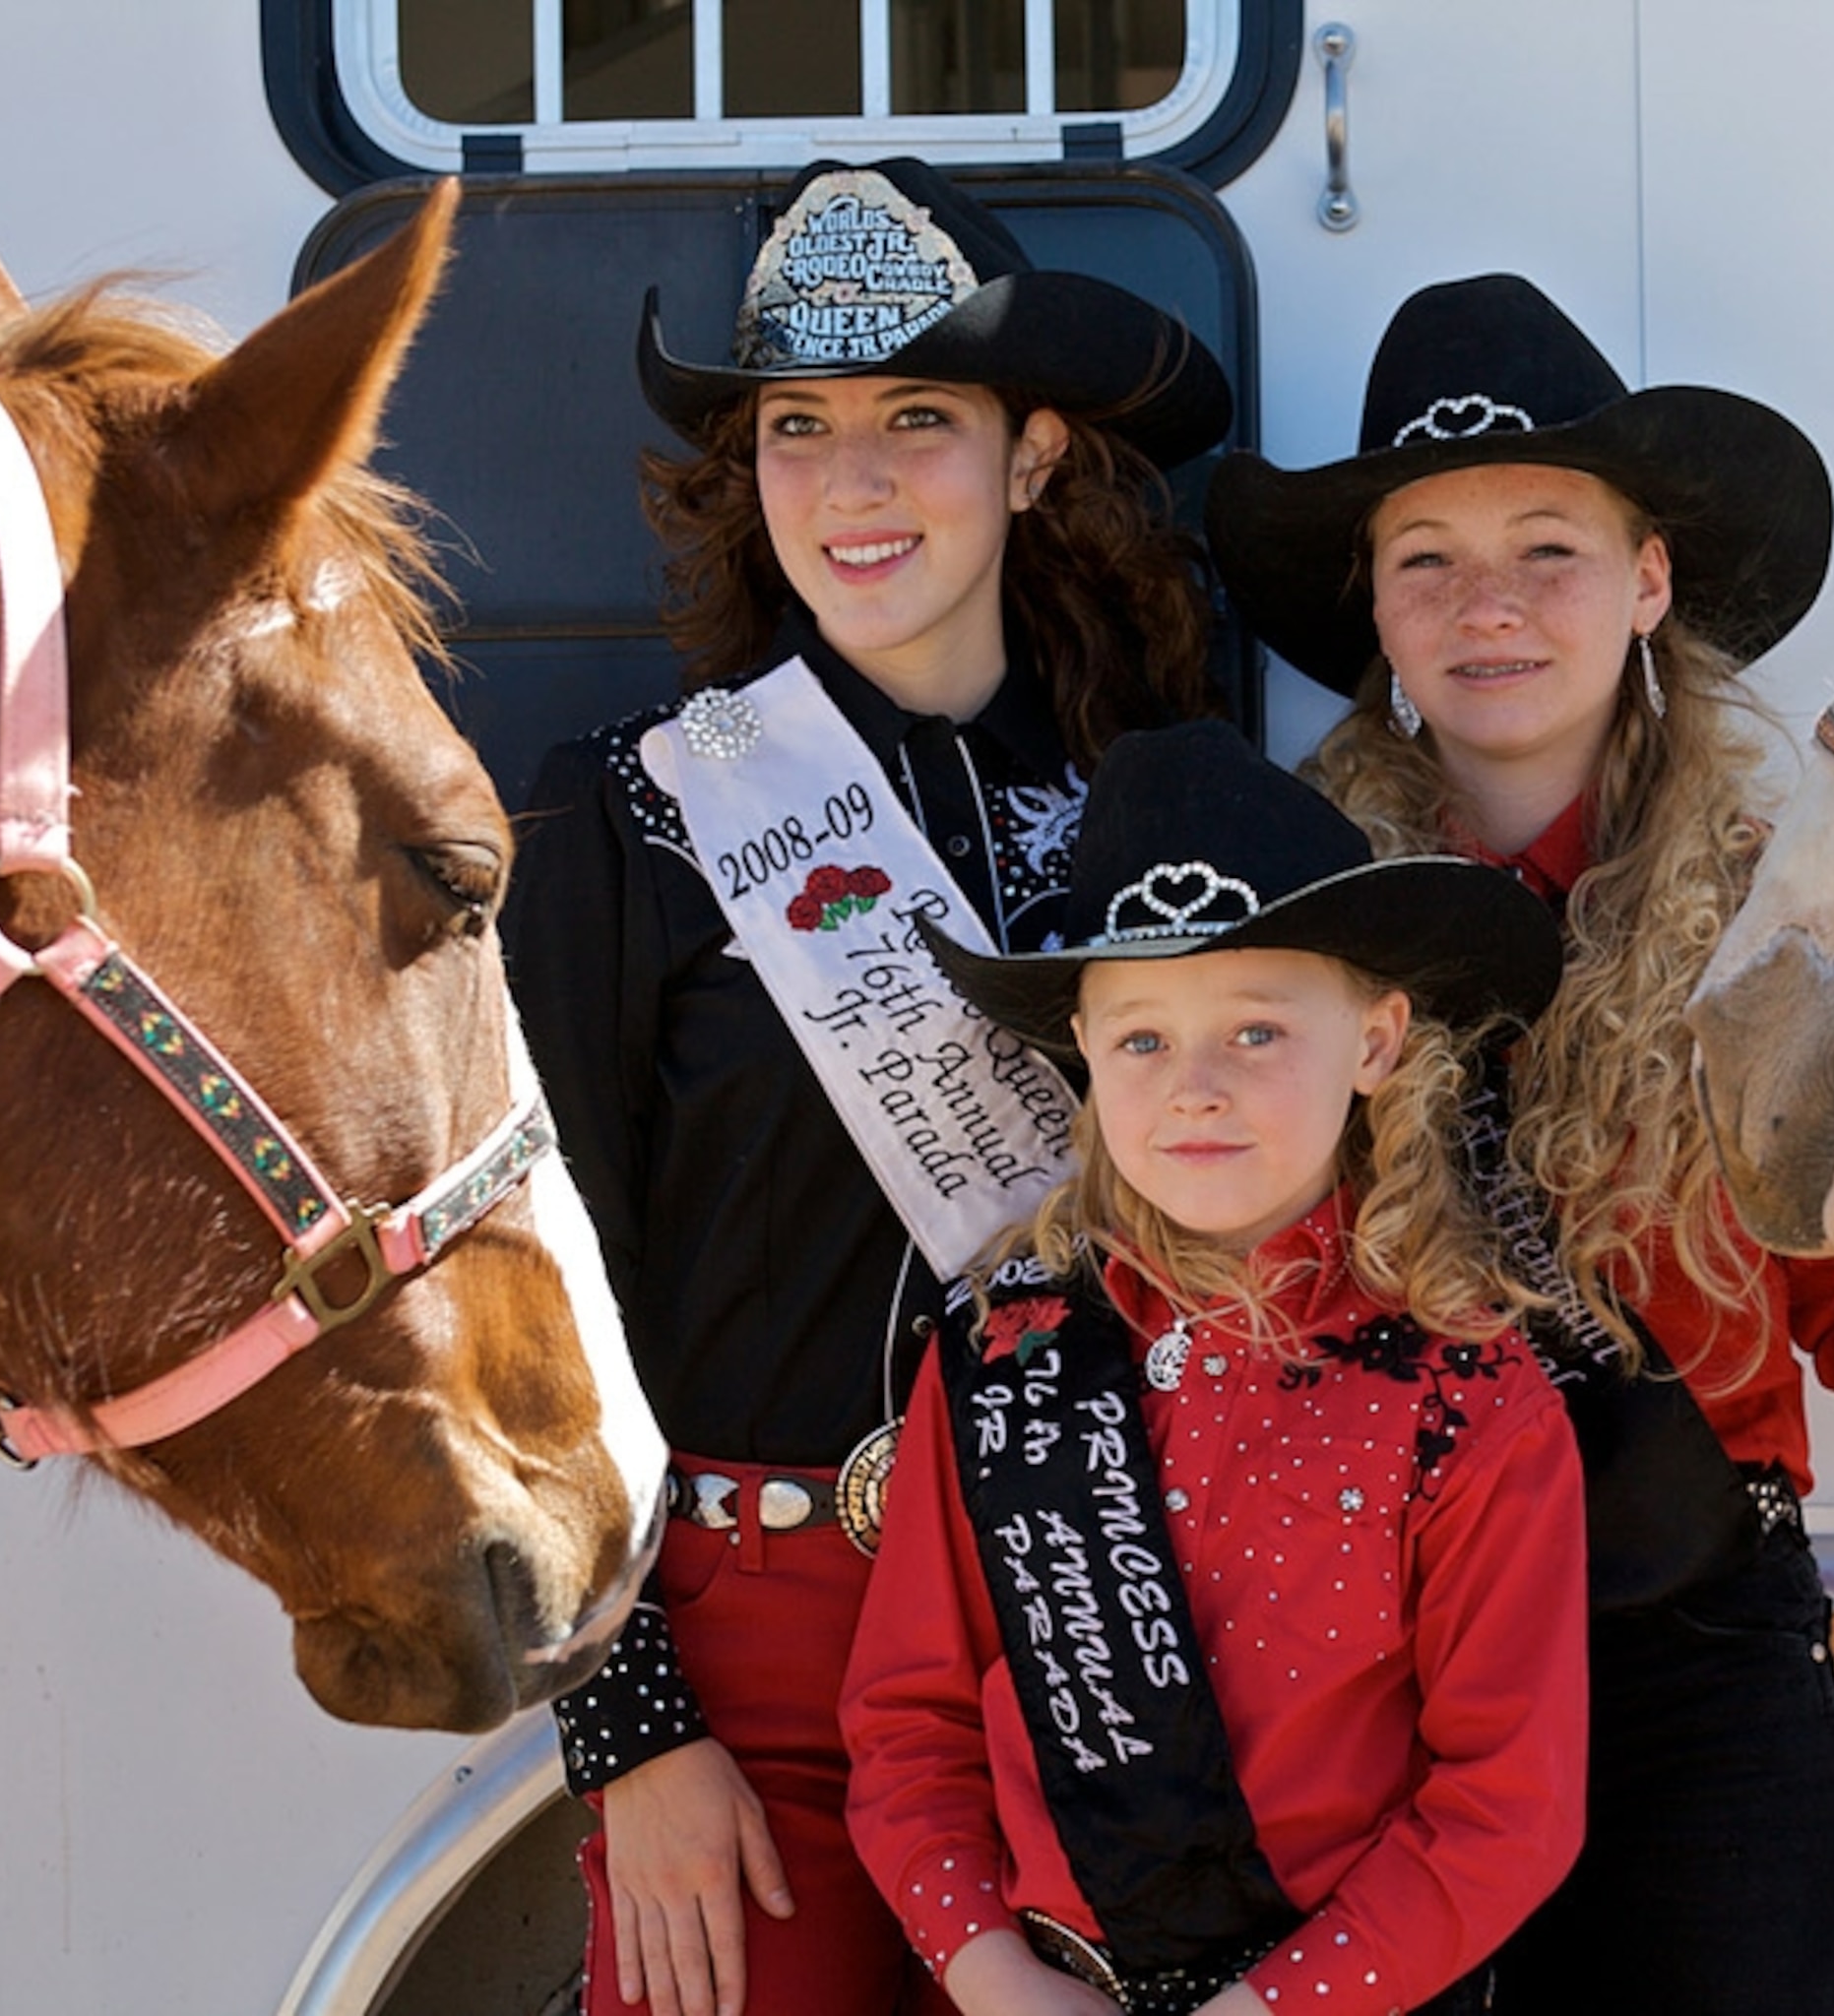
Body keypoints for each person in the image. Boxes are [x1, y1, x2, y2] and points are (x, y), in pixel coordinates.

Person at [1203, 274, 1834, 2016]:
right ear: (1376, 609)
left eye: (1549, 549)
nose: (1486, 604)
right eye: (1427, 556)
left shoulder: (1799, 917)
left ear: (1649, 584)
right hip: (1363, 1670)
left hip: (1693, 1665)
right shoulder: (1275, 916)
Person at [503, 158, 1231, 2016]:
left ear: (1037, 454)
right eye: (796, 428)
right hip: (755, 1661)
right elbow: (528, 1298)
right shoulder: (638, 814)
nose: (853, 482)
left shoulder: (1172, 810)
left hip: (1106, 1618)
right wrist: (628, 1730)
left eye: (919, 417)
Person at [842, 719, 1586, 2016]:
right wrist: (990, 1972)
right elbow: (910, 1726)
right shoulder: (998, 1358)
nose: (1193, 1087)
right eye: (1141, 1041)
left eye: (1254, 1031)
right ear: (1082, 1054)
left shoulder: (1466, 1398)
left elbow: (1506, 1806)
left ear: (1374, 1042)